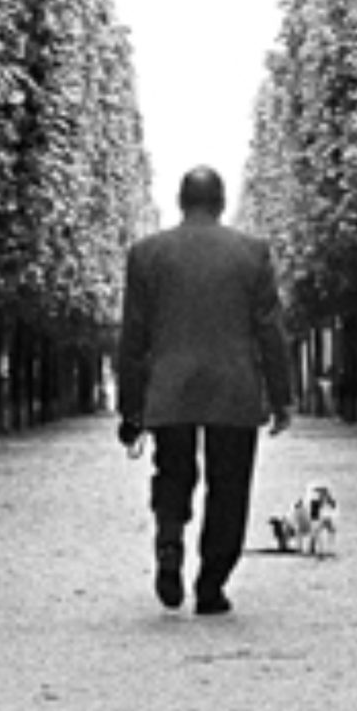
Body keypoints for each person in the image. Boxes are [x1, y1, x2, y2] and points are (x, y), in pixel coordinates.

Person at [115, 165, 294, 615]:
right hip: (233, 389)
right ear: (221, 203)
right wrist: (281, 397)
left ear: (181, 202)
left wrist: (131, 406)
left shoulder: (146, 254)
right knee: (229, 487)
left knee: (172, 472)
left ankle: (169, 539)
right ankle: (211, 585)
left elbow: (133, 336)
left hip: (170, 387)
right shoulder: (252, 254)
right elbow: (270, 330)